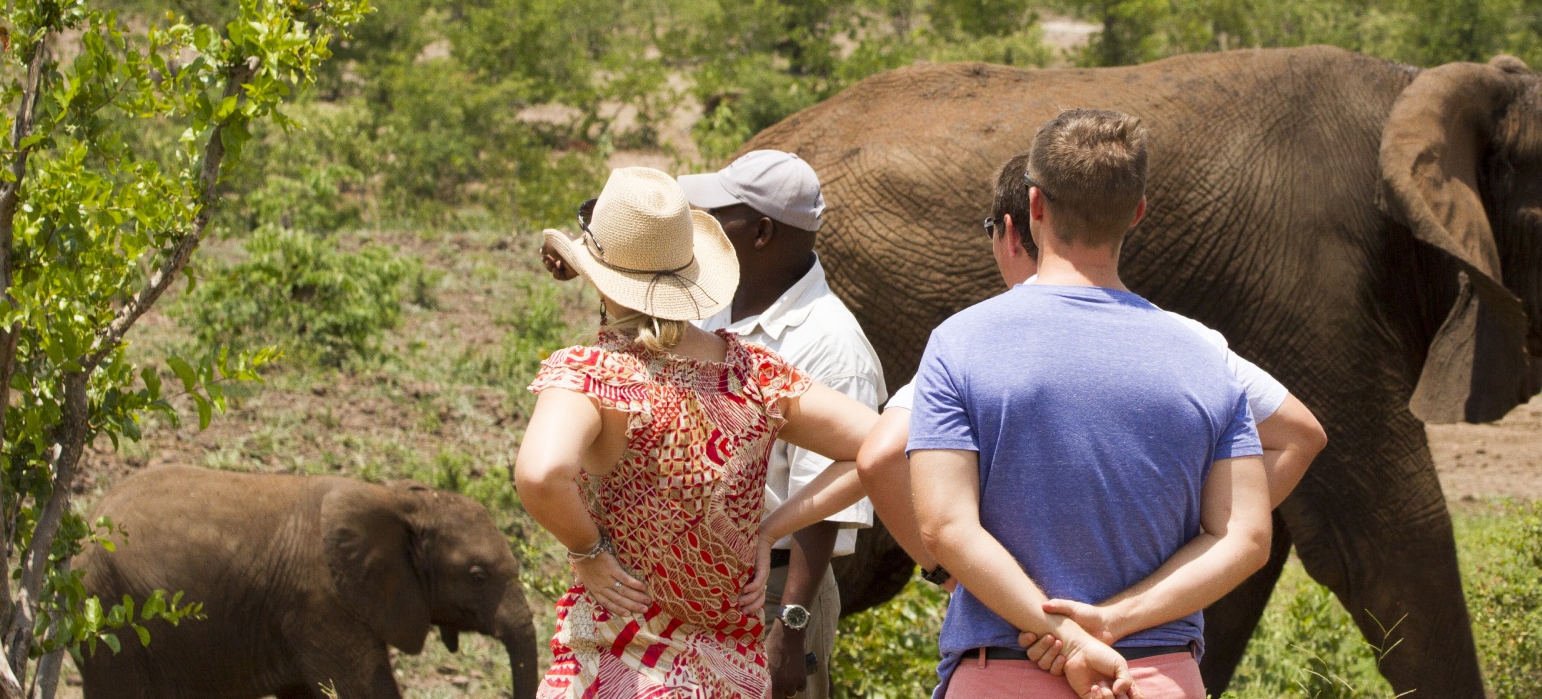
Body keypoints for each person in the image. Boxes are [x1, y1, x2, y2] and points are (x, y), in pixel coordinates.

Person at [909, 111, 1275, 699]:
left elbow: (945, 526)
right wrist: (1110, 623)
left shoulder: (960, 341)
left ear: (1034, 206)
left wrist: (1060, 629)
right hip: (1155, 675)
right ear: (1137, 212)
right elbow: (1244, 539)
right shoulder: (1205, 355)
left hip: (1001, 672)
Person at [860, 155, 1325, 590]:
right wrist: (1186, 554)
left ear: (1014, 231)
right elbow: (1301, 435)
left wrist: (950, 570)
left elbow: (880, 456)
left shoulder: (971, 341)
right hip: (1148, 642)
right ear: (1129, 216)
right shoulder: (1190, 341)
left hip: (1013, 635)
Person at [516, 166, 878, 699]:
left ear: (595, 275)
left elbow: (542, 474)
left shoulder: (595, 375)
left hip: (618, 669)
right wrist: (769, 529)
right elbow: (882, 444)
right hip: (729, 675)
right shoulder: (754, 372)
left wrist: (587, 549)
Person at [681, 150, 888, 699]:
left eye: (719, 213)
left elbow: (827, 497)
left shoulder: (831, 345)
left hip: (774, 586)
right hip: (700, 573)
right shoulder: (714, 308)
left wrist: (790, 627)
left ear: (761, 232)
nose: (704, 224)